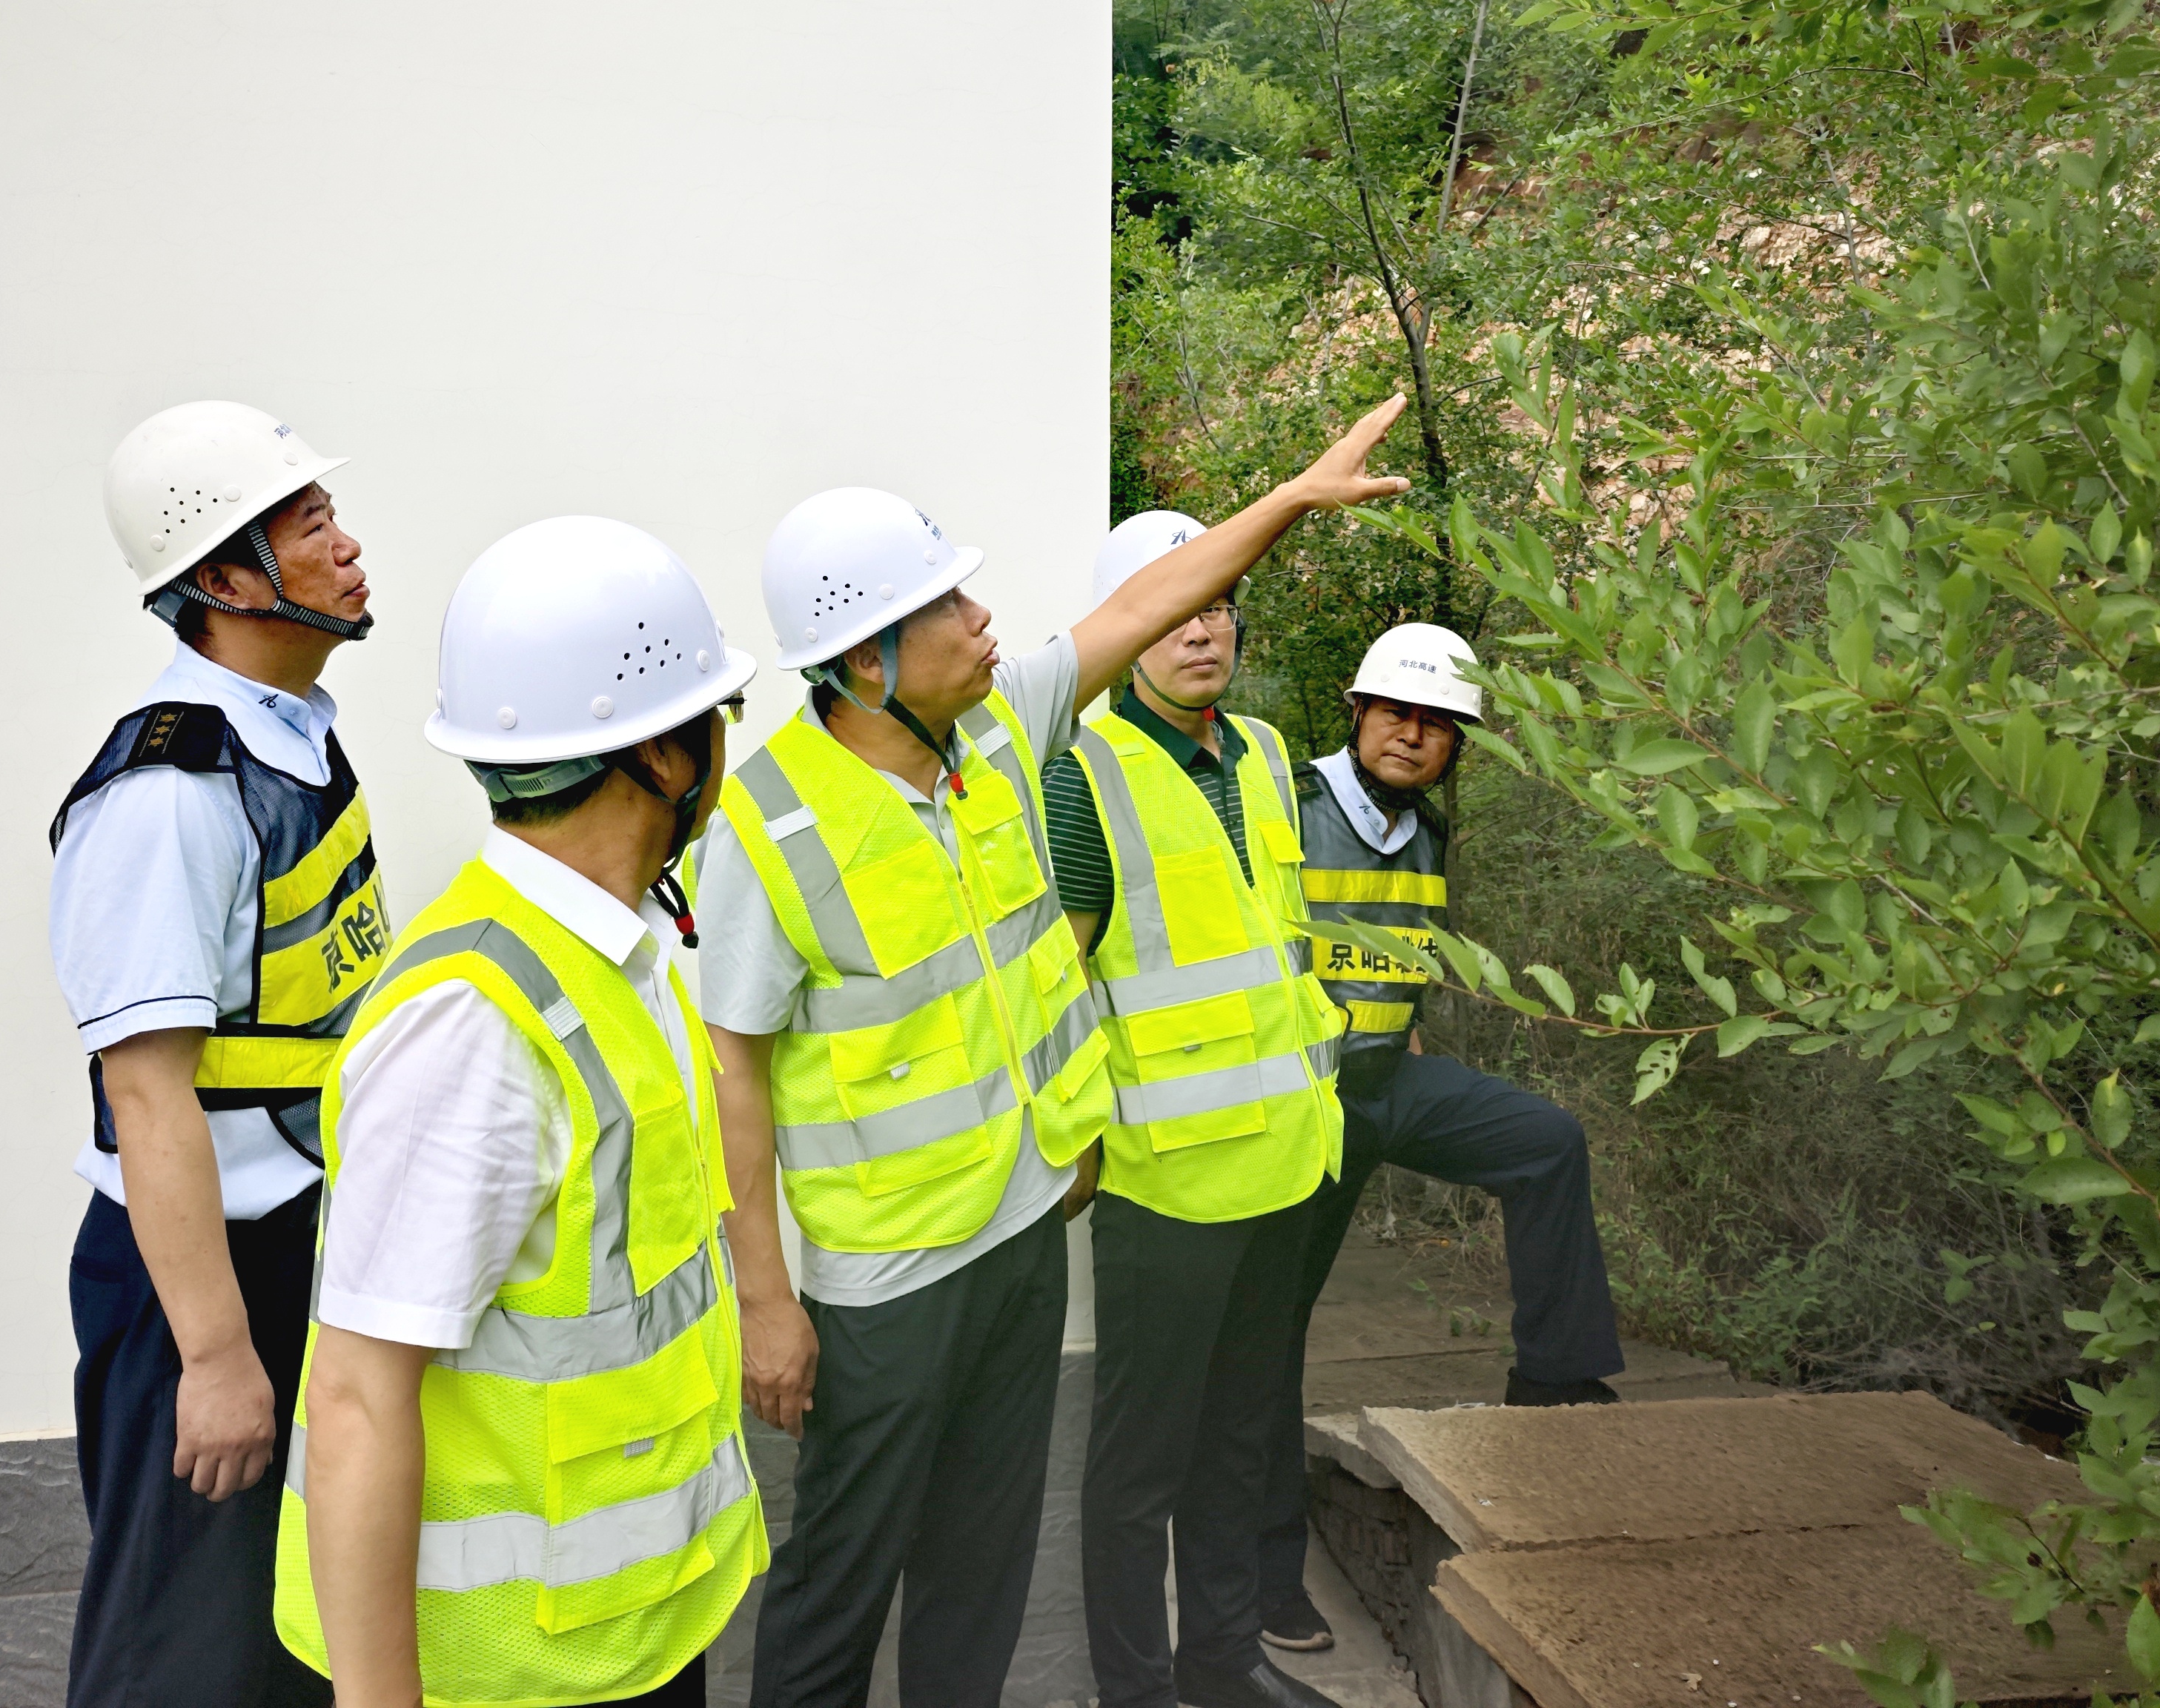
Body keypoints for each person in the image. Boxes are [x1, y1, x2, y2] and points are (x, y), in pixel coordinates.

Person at [694, 394, 1411, 1708]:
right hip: (890, 1277)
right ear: (867, 662)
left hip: (1024, 1232)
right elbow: (731, 1069)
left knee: (982, 1569)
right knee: (842, 1582)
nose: (986, 621)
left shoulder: (996, 735)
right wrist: (764, 1299)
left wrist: (1293, 500)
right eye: (949, 607)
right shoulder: (770, 827)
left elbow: (1142, 604)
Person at [274, 517, 766, 1708]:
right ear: (663, 755)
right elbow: (357, 1397)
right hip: (509, 1672)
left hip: (628, 1632)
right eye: (719, 717)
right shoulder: (475, 1024)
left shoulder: (611, 955)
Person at [47, 400, 378, 1707]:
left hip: (293, 1247)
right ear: (227, 582)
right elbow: (147, 1094)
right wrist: (217, 1356)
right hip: (197, 1282)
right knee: (179, 1655)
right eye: (309, 526)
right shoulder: (171, 792)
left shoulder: (289, 735)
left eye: (334, 515)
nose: (348, 547)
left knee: (278, 1638)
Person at [1250, 622, 1621, 1655]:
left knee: (1546, 1141)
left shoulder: (1426, 832)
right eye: (1396, 713)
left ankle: (1553, 1383)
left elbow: (1401, 955)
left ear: (1457, 743)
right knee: (1270, 1330)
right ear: (1358, 712)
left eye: (1436, 724)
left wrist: (1405, 1030)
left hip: (1387, 1082)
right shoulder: (1287, 804)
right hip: (1301, 1099)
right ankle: (1268, 1574)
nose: (1411, 735)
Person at [1041, 512, 1348, 1708]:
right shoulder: (1085, 772)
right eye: (1174, 612)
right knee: (1142, 1468)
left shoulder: (1265, 751)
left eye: (1216, 607)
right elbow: (1057, 990)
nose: (1202, 632)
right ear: (1132, 632)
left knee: (1239, 1445)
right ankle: (1138, 1691)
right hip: (1167, 1185)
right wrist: (1076, 1146)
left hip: (1287, 1166)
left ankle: (1227, 1666)